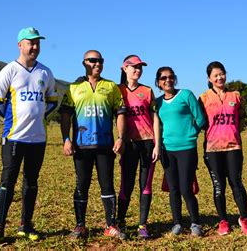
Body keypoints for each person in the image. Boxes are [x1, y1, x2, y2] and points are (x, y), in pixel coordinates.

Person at [0, 27, 58, 245]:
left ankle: (25, 225)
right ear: (20, 45)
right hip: (14, 137)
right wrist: (12, 123)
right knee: (8, 180)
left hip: (38, 139)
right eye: (30, 43)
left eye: (37, 43)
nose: (35, 47)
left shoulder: (45, 72)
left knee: (31, 182)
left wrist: (37, 118)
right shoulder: (9, 70)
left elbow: (52, 101)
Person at [59, 50, 127, 240]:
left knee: (107, 185)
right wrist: (66, 139)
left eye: (100, 61)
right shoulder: (73, 87)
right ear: (84, 63)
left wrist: (120, 137)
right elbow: (65, 116)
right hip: (81, 146)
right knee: (82, 185)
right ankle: (80, 226)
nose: (97, 64)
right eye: (92, 60)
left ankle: (110, 225)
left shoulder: (111, 86)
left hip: (105, 145)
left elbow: (120, 113)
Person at [199, 61, 247, 236]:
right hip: (213, 148)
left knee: (236, 183)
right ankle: (223, 221)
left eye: (221, 73)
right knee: (218, 186)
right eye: (215, 75)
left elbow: (242, 117)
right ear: (209, 78)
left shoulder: (235, 95)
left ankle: (244, 218)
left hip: (233, 146)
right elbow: (200, 122)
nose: (219, 77)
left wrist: (235, 132)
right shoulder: (203, 98)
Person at [155, 66, 205, 237]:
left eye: (170, 77)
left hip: (187, 149)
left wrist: (192, 134)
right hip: (167, 150)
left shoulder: (186, 94)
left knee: (186, 188)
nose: (167, 80)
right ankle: (177, 223)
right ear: (158, 83)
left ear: (174, 79)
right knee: (173, 189)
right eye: (163, 78)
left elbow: (200, 118)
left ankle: (195, 223)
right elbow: (157, 125)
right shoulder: (158, 102)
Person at [116, 55, 160, 239]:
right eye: (134, 67)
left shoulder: (147, 91)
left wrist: (157, 144)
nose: (138, 70)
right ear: (124, 68)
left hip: (148, 142)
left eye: (140, 67)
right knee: (126, 184)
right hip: (128, 144)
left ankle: (143, 225)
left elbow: (155, 118)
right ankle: (120, 222)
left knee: (146, 185)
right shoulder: (116, 90)